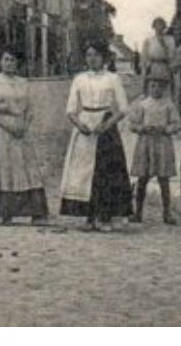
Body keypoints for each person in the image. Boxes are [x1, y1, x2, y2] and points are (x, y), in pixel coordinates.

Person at [60, 43, 133, 231]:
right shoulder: (79, 79)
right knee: (84, 173)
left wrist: (107, 125)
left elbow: (123, 108)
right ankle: (88, 217)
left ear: (104, 58)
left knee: (106, 171)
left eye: (96, 55)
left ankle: (105, 216)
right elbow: (70, 109)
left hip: (105, 125)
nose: (92, 59)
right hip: (85, 125)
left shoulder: (113, 79)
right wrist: (79, 124)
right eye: (89, 55)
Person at [0, 48, 50, 225]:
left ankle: (35, 211)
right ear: (0, 62)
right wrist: (9, 126)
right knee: (4, 169)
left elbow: (31, 108)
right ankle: (5, 212)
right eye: (6, 59)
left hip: (22, 130)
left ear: (18, 63)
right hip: (2, 130)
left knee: (28, 169)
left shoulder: (24, 83)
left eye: (13, 60)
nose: (9, 63)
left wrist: (23, 126)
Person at [125, 77, 181, 224]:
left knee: (164, 179)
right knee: (142, 178)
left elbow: (177, 124)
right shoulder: (142, 105)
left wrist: (166, 129)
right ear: (148, 88)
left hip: (163, 143)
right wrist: (142, 128)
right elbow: (132, 124)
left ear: (164, 89)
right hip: (145, 142)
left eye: (159, 87)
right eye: (153, 86)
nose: (156, 89)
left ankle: (167, 213)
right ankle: (138, 212)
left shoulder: (169, 105)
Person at [140, 18, 177, 83]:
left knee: (165, 87)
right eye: (157, 25)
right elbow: (144, 56)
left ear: (164, 27)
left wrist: (164, 45)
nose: (159, 28)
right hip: (152, 68)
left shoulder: (170, 40)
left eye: (161, 25)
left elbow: (172, 55)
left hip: (165, 67)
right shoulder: (149, 40)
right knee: (152, 87)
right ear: (154, 27)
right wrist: (145, 69)